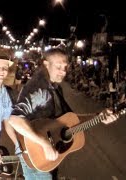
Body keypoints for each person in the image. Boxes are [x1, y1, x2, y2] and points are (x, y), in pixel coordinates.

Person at [8, 48, 118, 180]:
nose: (63, 71)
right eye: (58, 66)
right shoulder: (40, 89)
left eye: (65, 67)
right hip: (34, 152)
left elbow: (69, 121)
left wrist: (98, 117)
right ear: (46, 64)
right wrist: (44, 143)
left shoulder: (54, 86)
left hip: (47, 149)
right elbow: (14, 119)